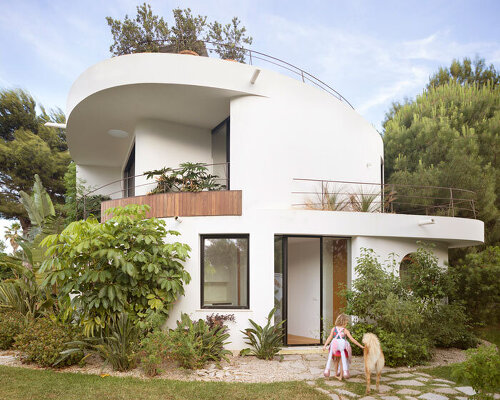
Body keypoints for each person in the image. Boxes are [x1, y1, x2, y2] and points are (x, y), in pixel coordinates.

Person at [323, 313, 363, 380]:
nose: (347, 324)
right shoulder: (345, 330)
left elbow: (330, 338)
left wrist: (325, 345)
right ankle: (341, 376)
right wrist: (361, 346)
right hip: (342, 349)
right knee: (342, 362)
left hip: (335, 348)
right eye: (346, 322)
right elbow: (352, 339)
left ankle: (336, 374)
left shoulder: (334, 329)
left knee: (335, 361)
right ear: (344, 322)